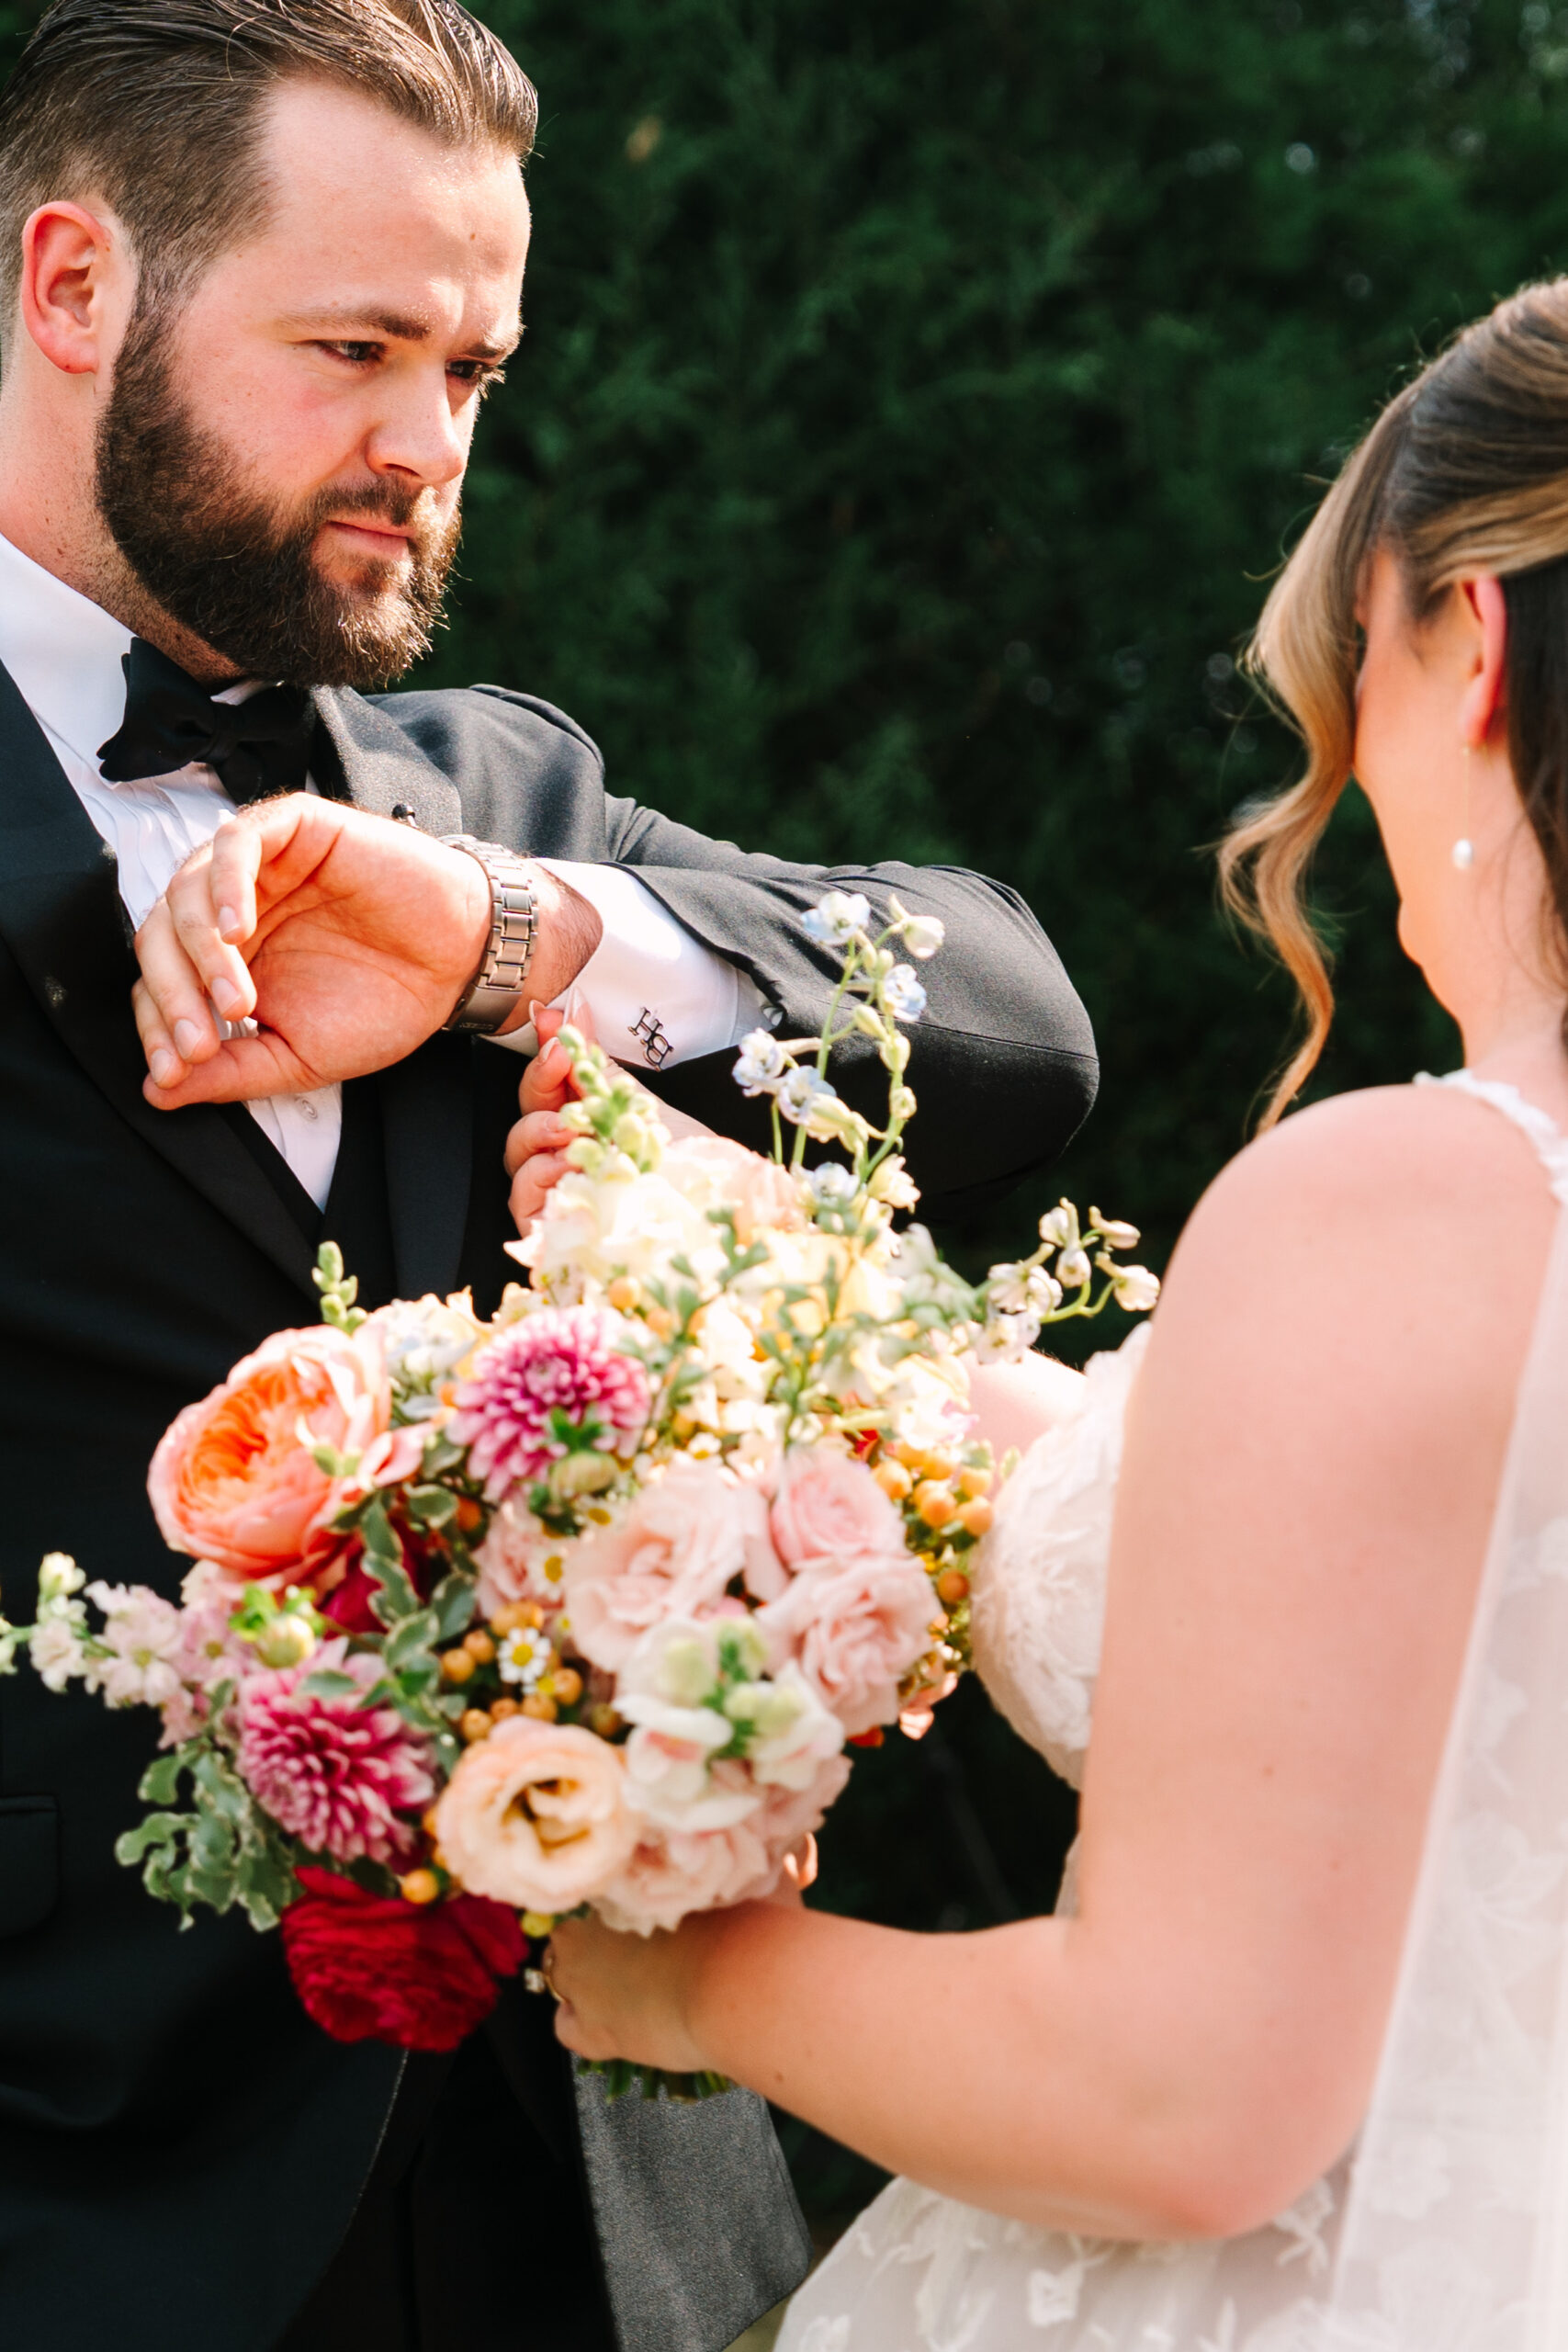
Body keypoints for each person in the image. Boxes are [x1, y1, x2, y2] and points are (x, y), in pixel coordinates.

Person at [0, 4, 1097, 2349]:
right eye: (353, 347)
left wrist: (521, 942)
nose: (426, 446)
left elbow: (1017, 1023)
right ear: (73, 285)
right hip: (74, 2207)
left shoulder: (484, 791)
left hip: (620, 2217)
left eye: (474, 369)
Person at [541, 277, 1568, 2352]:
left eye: (1339, 670)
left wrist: (664, 1970)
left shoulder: (1408, 1195)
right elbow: (1231, 1524)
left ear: (1461, 637)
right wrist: (736, 1237)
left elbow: (1173, 2101)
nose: (1336, 772)